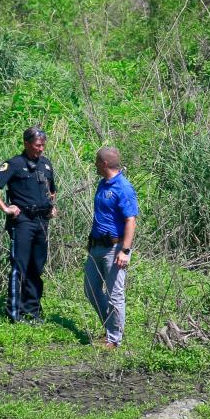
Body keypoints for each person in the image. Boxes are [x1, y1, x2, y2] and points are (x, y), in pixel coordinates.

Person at [0, 126, 56, 323]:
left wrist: (52, 205)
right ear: (26, 143)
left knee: (36, 267)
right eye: (37, 145)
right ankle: (14, 313)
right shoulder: (14, 163)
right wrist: (6, 208)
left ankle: (32, 311)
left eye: (43, 145)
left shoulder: (46, 165)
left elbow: (52, 189)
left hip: (42, 222)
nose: (41, 149)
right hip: (23, 221)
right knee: (20, 267)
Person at [85, 146, 138, 348]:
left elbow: (130, 221)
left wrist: (125, 251)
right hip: (96, 247)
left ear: (104, 164)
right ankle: (110, 327)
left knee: (115, 294)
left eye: (97, 162)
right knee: (91, 289)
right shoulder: (102, 184)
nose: (95, 166)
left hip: (115, 249)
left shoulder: (123, 187)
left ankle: (114, 339)